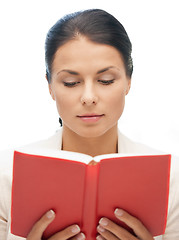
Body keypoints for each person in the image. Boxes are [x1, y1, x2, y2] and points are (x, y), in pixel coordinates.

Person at [0, 9, 179, 240]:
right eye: (71, 82)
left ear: (128, 81)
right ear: (50, 86)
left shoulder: (171, 179)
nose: (88, 97)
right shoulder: (6, 175)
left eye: (106, 80)